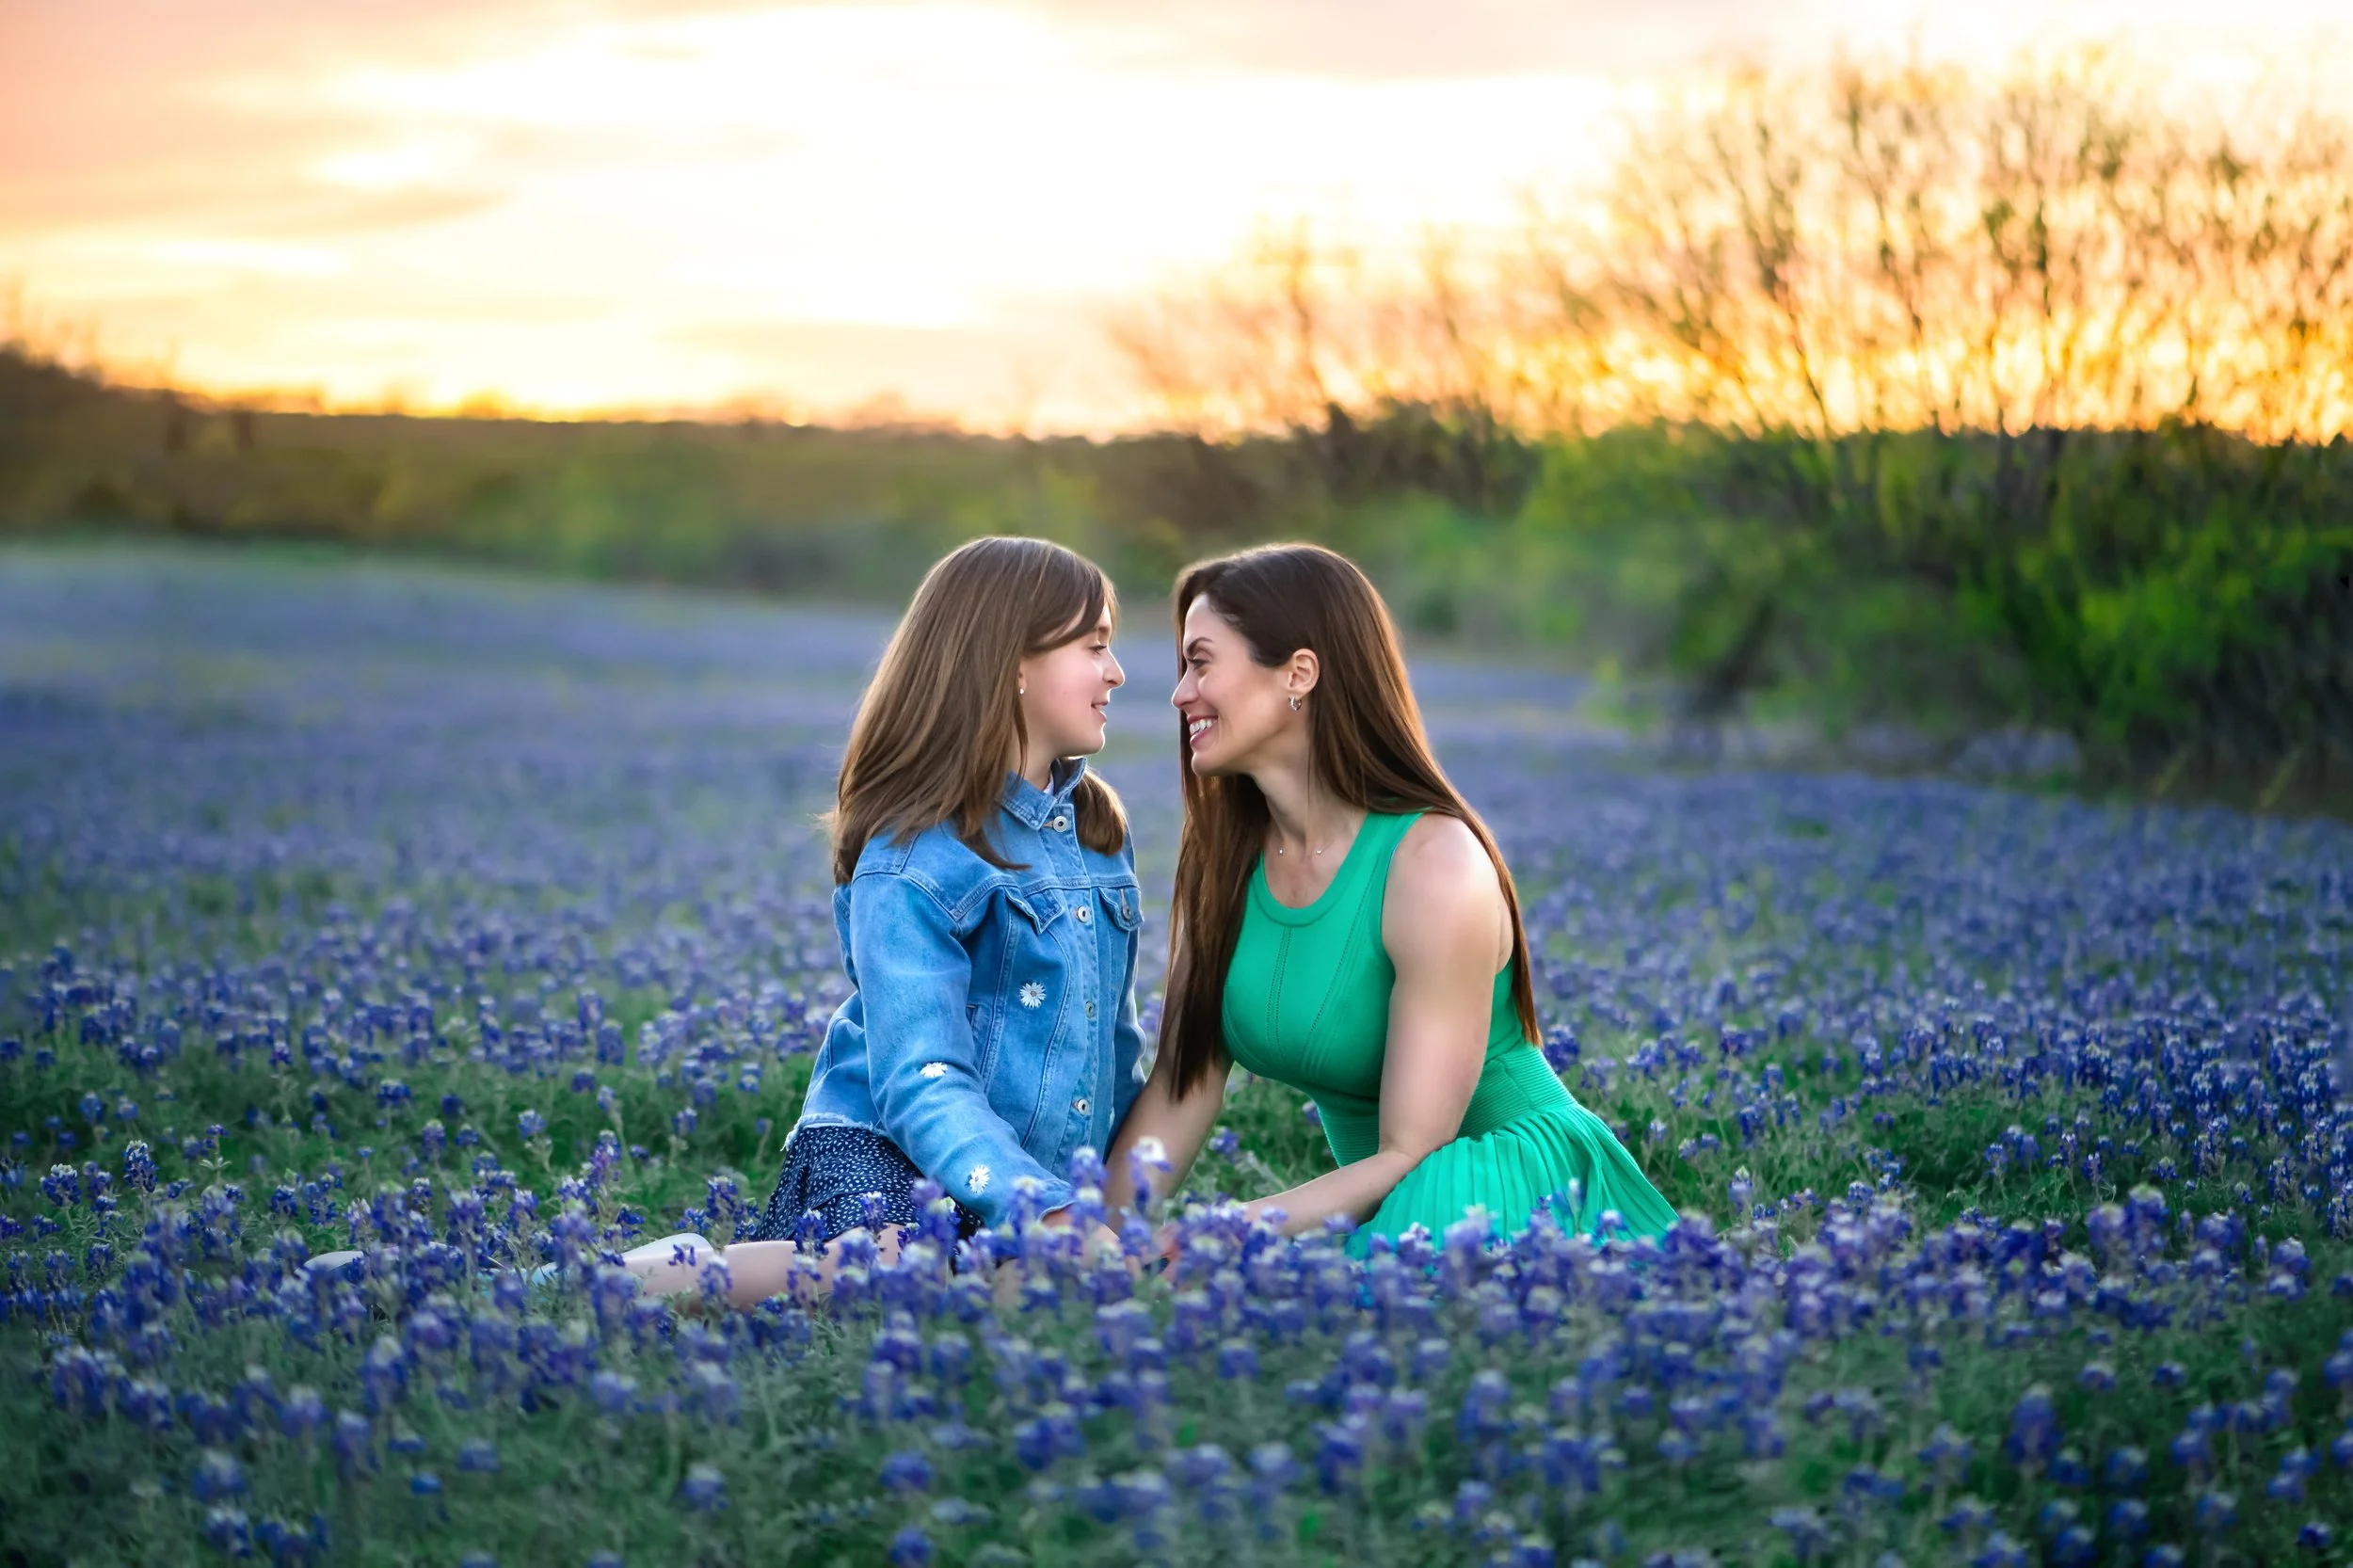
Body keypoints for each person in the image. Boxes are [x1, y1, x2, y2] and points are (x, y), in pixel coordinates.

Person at [1103, 543, 1677, 1262]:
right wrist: (1097, 1239)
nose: (1179, 694)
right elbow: (1184, 1088)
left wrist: (1221, 1232)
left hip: (1507, 1188)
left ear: (1299, 674)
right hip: (1381, 1199)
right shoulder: (1222, 863)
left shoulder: (1435, 865)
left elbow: (1413, 1151)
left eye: (1201, 662)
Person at [613, 536, 1144, 1304]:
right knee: (902, 1272)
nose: (1117, 672)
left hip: (1030, 1178)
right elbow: (917, 1078)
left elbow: (1113, 1048)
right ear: (1013, 664)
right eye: (1094, 647)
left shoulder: (1096, 831)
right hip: (887, 1150)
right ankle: (613, 1283)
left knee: (1029, 1300)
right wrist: (1049, 1211)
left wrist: (1100, 1208)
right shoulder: (915, 852)